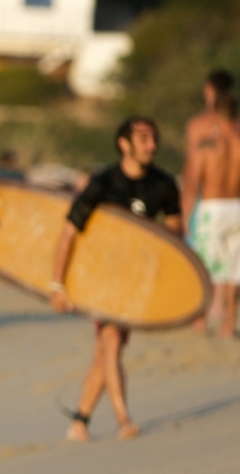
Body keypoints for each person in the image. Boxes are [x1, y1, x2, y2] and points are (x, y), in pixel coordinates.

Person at [49, 117, 183, 442]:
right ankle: (123, 418)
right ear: (124, 144)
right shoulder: (103, 183)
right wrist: (58, 285)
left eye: (154, 138)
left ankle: (80, 421)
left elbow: (176, 238)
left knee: (104, 351)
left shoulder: (164, 185)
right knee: (111, 340)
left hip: (136, 280)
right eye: (143, 139)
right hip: (101, 277)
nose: (152, 145)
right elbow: (68, 234)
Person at [182, 69, 240, 338]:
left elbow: (192, 181)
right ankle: (229, 325)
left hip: (211, 207)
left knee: (206, 267)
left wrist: (186, 216)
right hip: (238, 208)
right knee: (235, 271)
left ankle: (200, 321)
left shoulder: (205, 142)